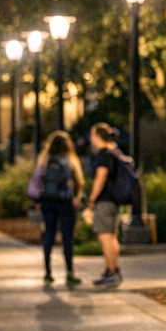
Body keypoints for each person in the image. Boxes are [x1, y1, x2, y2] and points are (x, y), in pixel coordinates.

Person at [27, 130, 83, 286]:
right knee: (67, 237)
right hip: (66, 202)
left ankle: (48, 272)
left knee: (49, 235)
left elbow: (37, 180)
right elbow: (79, 182)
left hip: (48, 202)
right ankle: (70, 272)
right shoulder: (71, 160)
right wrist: (77, 198)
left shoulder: (44, 160)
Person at [85, 123, 126, 289]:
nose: (91, 139)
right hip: (115, 199)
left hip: (105, 200)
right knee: (111, 235)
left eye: (92, 135)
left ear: (97, 136)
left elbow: (101, 176)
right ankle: (114, 270)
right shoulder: (115, 151)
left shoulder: (103, 154)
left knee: (104, 236)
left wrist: (92, 199)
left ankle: (111, 272)